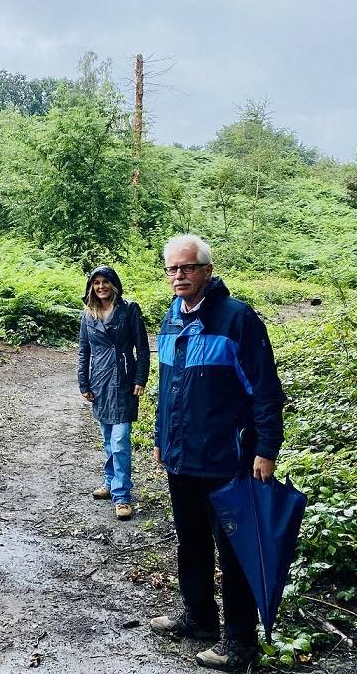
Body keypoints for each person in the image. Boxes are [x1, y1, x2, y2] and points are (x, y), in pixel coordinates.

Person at [149, 234, 285, 671]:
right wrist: (160, 437)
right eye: (171, 268)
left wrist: (266, 448)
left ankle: (240, 643)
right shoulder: (171, 319)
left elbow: (265, 391)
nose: (178, 276)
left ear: (206, 270)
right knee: (190, 543)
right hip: (182, 456)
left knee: (233, 550)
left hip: (228, 459)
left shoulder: (237, 319)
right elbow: (168, 388)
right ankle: (200, 619)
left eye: (187, 268)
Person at [77, 265, 149, 521]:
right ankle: (110, 482)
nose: (101, 287)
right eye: (96, 282)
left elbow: (142, 347)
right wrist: (83, 383)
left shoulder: (129, 309)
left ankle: (122, 495)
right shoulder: (88, 315)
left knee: (120, 441)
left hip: (124, 380)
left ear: (114, 284)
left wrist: (141, 378)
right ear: (91, 287)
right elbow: (84, 351)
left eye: (105, 281)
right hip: (100, 381)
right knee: (108, 440)